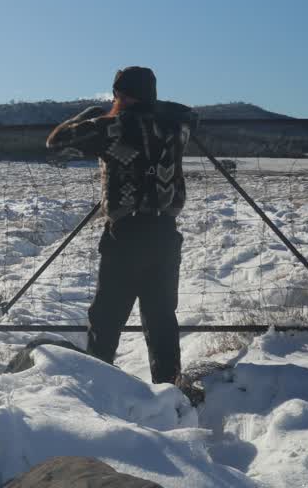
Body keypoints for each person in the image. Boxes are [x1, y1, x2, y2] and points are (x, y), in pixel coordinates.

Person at [46, 66, 197, 384]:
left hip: (126, 235)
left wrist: (86, 115)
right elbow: (191, 114)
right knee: (160, 319)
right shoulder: (177, 126)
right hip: (166, 234)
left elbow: (56, 142)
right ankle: (169, 389)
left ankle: (98, 386)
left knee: (106, 318)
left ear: (120, 95)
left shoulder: (111, 127)